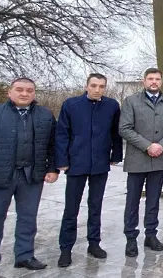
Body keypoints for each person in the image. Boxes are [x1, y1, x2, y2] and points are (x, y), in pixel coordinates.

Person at [0, 77, 59, 278]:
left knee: (28, 218)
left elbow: (53, 145)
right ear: (10, 92)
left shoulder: (45, 115)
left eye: (29, 90)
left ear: (34, 93)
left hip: (31, 176)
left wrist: (53, 168)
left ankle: (24, 255)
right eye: (20, 89)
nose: (24, 93)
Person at [55, 73, 123, 267]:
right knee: (71, 208)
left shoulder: (111, 106)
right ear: (86, 86)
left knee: (96, 205)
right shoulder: (71, 105)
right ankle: (66, 248)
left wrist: (116, 155)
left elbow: (115, 132)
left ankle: (94, 243)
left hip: (100, 163)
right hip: (76, 163)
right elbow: (62, 134)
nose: (97, 90)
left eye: (101, 86)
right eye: (94, 85)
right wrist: (62, 160)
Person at [119, 68, 163, 257]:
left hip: (159, 158)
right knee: (132, 200)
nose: (154, 82)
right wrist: (147, 146)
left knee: (154, 200)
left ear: (161, 81)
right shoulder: (131, 101)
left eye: (157, 79)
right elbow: (124, 128)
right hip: (137, 159)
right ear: (144, 81)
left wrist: (161, 145)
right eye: (150, 78)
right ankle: (131, 238)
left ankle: (151, 235)